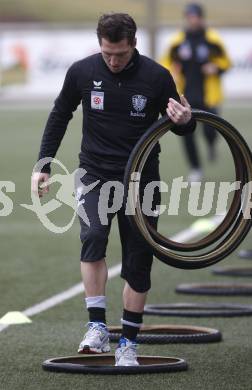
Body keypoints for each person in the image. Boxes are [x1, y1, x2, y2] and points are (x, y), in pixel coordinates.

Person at [32, 13, 195, 366]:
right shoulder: (82, 71)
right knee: (92, 236)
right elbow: (60, 113)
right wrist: (43, 163)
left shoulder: (156, 76)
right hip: (94, 175)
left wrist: (186, 120)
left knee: (138, 259)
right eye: (107, 53)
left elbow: (181, 123)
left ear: (133, 44)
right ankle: (97, 328)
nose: (113, 61)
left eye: (119, 54)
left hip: (141, 180)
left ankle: (129, 345)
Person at [160, 3, 231, 182]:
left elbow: (226, 62)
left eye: (195, 16)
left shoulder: (212, 39)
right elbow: (164, 64)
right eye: (189, 16)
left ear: (201, 18)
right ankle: (195, 168)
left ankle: (211, 145)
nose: (192, 20)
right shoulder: (177, 41)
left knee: (210, 131)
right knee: (186, 133)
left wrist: (216, 67)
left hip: (209, 96)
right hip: (186, 97)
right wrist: (173, 70)